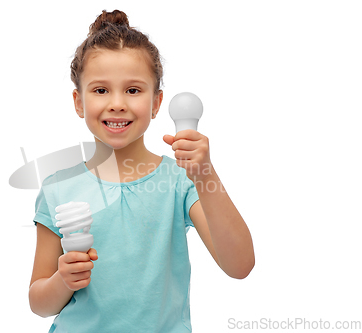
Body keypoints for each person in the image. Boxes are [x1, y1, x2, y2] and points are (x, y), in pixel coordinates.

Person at [28, 9, 255, 333]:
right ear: (79, 102)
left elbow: (240, 265)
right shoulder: (57, 189)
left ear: (156, 102)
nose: (117, 103)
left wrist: (204, 174)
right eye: (101, 90)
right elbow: (39, 303)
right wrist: (63, 280)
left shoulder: (180, 182)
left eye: (133, 90)